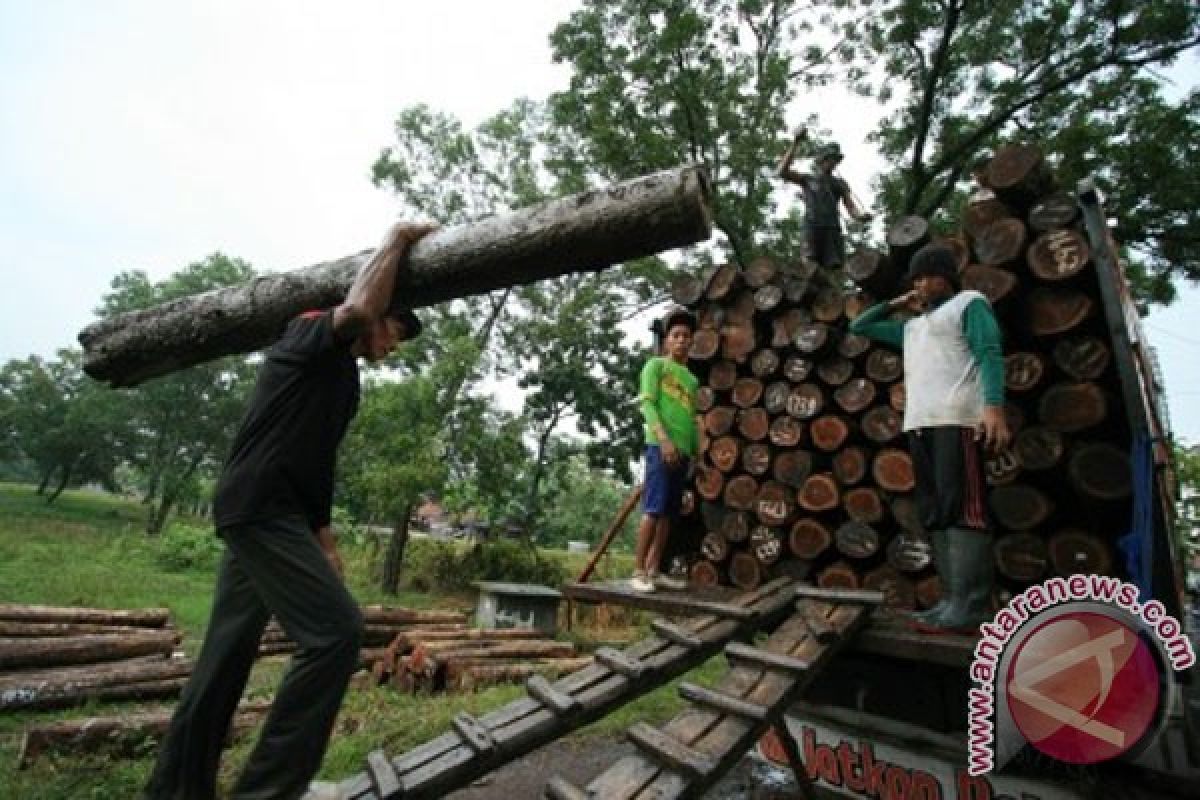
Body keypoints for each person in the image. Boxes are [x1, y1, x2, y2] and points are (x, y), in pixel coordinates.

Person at [145, 221, 434, 800]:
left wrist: (325, 539)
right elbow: (353, 312)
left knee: (222, 660)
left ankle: (173, 792)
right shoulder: (306, 334)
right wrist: (397, 240)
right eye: (395, 326)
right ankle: (269, 791)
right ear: (375, 309)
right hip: (258, 508)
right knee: (335, 634)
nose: (395, 342)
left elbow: (314, 460)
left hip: (275, 513)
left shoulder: (345, 382)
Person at [849, 243, 1010, 633]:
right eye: (915, 279)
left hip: (958, 420)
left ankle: (971, 606)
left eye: (926, 276)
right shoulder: (913, 327)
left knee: (963, 508)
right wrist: (897, 301)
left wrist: (993, 408)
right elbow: (861, 325)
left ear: (946, 276)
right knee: (936, 512)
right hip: (921, 423)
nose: (920, 284)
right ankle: (950, 602)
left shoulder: (969, 304)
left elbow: (989, 352)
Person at [630, 306, 699, 593]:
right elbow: (646, 403)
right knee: (653, 509)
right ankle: (637, 571)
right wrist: (664, 440)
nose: (682, 340)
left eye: (686, 336)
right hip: (660, 447)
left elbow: (691, 420)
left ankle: (655, 570)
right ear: (667, 340)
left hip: (682, 452)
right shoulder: (655, 366)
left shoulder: (692, 380)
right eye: (676, 335)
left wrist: (698, 455)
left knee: (670, 513)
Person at [776, 128, 872, 269]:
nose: (832, 162)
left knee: (834, 267)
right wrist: (795, 142)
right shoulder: (808, 179)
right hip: (812, 226)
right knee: (809, 265)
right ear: (822, 159)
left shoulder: (839, 183)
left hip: (832, 229)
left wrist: (860, 216)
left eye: (835, 159)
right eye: (830, 158)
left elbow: (850, 206)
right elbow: (782, 172)